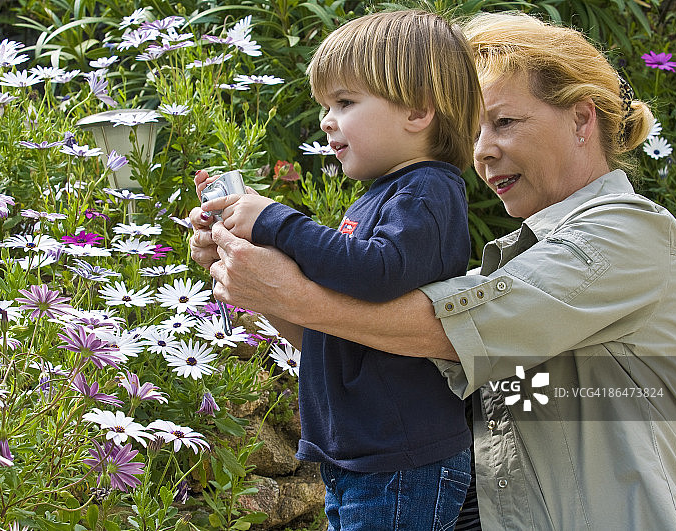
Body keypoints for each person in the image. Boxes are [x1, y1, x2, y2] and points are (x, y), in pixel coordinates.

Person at [191, 11, 676, 530]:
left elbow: (447, 331)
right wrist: (259, 284)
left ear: (582, 119)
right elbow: (368, 341)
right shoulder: (515, 260)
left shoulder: (630, 234)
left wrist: (288, 280)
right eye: (475, 131)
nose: (482, 151)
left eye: (504, 122)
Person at [196, 9, 482, 531]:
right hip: (367, 456)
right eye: (326, 106)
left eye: (345, 103)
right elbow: (337, 320)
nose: (327, 120)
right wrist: (244, 250)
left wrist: (276, 221)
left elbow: (376, 273)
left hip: (402, 461)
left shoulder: (428, 191)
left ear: (418, 111)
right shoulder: (386, 195)